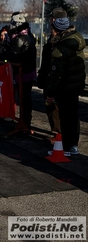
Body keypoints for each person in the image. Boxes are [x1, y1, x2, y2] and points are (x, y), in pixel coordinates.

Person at [46, 16, 86, 156]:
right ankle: (73, 146)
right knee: (74, 116)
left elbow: (57, 74)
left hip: (65, 87)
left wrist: (50, 92)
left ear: (58, 30)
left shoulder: (61, 48)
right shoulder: (77, 40)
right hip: (76, 84)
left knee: (65, 117)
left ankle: (66, 148)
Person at [36, 8, 65, 142]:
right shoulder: (53, 36)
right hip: (49, 76)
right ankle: (56, 132)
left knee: (55, 106)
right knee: (50, 106)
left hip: (56, 77)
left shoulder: (62, 38)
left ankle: (59, 134)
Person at [8, 12, 37, 132]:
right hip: (28, 72)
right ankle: (25, 122)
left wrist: (6, 57)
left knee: (24, 99)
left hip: (22, 74)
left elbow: (13, 56)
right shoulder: (29, 35)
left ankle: (24, 123)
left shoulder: (19, 39)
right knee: (26, 99)